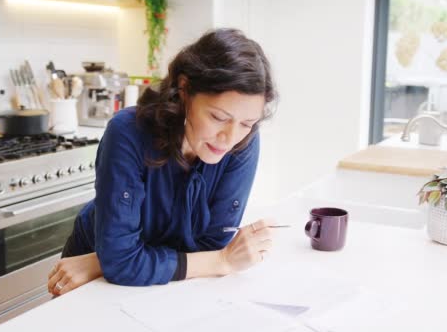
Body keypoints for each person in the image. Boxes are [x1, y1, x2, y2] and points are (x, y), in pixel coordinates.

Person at [47, 28, 277, 295]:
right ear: (184, 89)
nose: (229, 138)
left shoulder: (243, 143)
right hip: (93, 278)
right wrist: (222, 261)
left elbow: (213, 241)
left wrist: (108, 261)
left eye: (246, 123)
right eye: (218, 117)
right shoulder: (128, 132)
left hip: (118, 267)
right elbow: (213, 255)